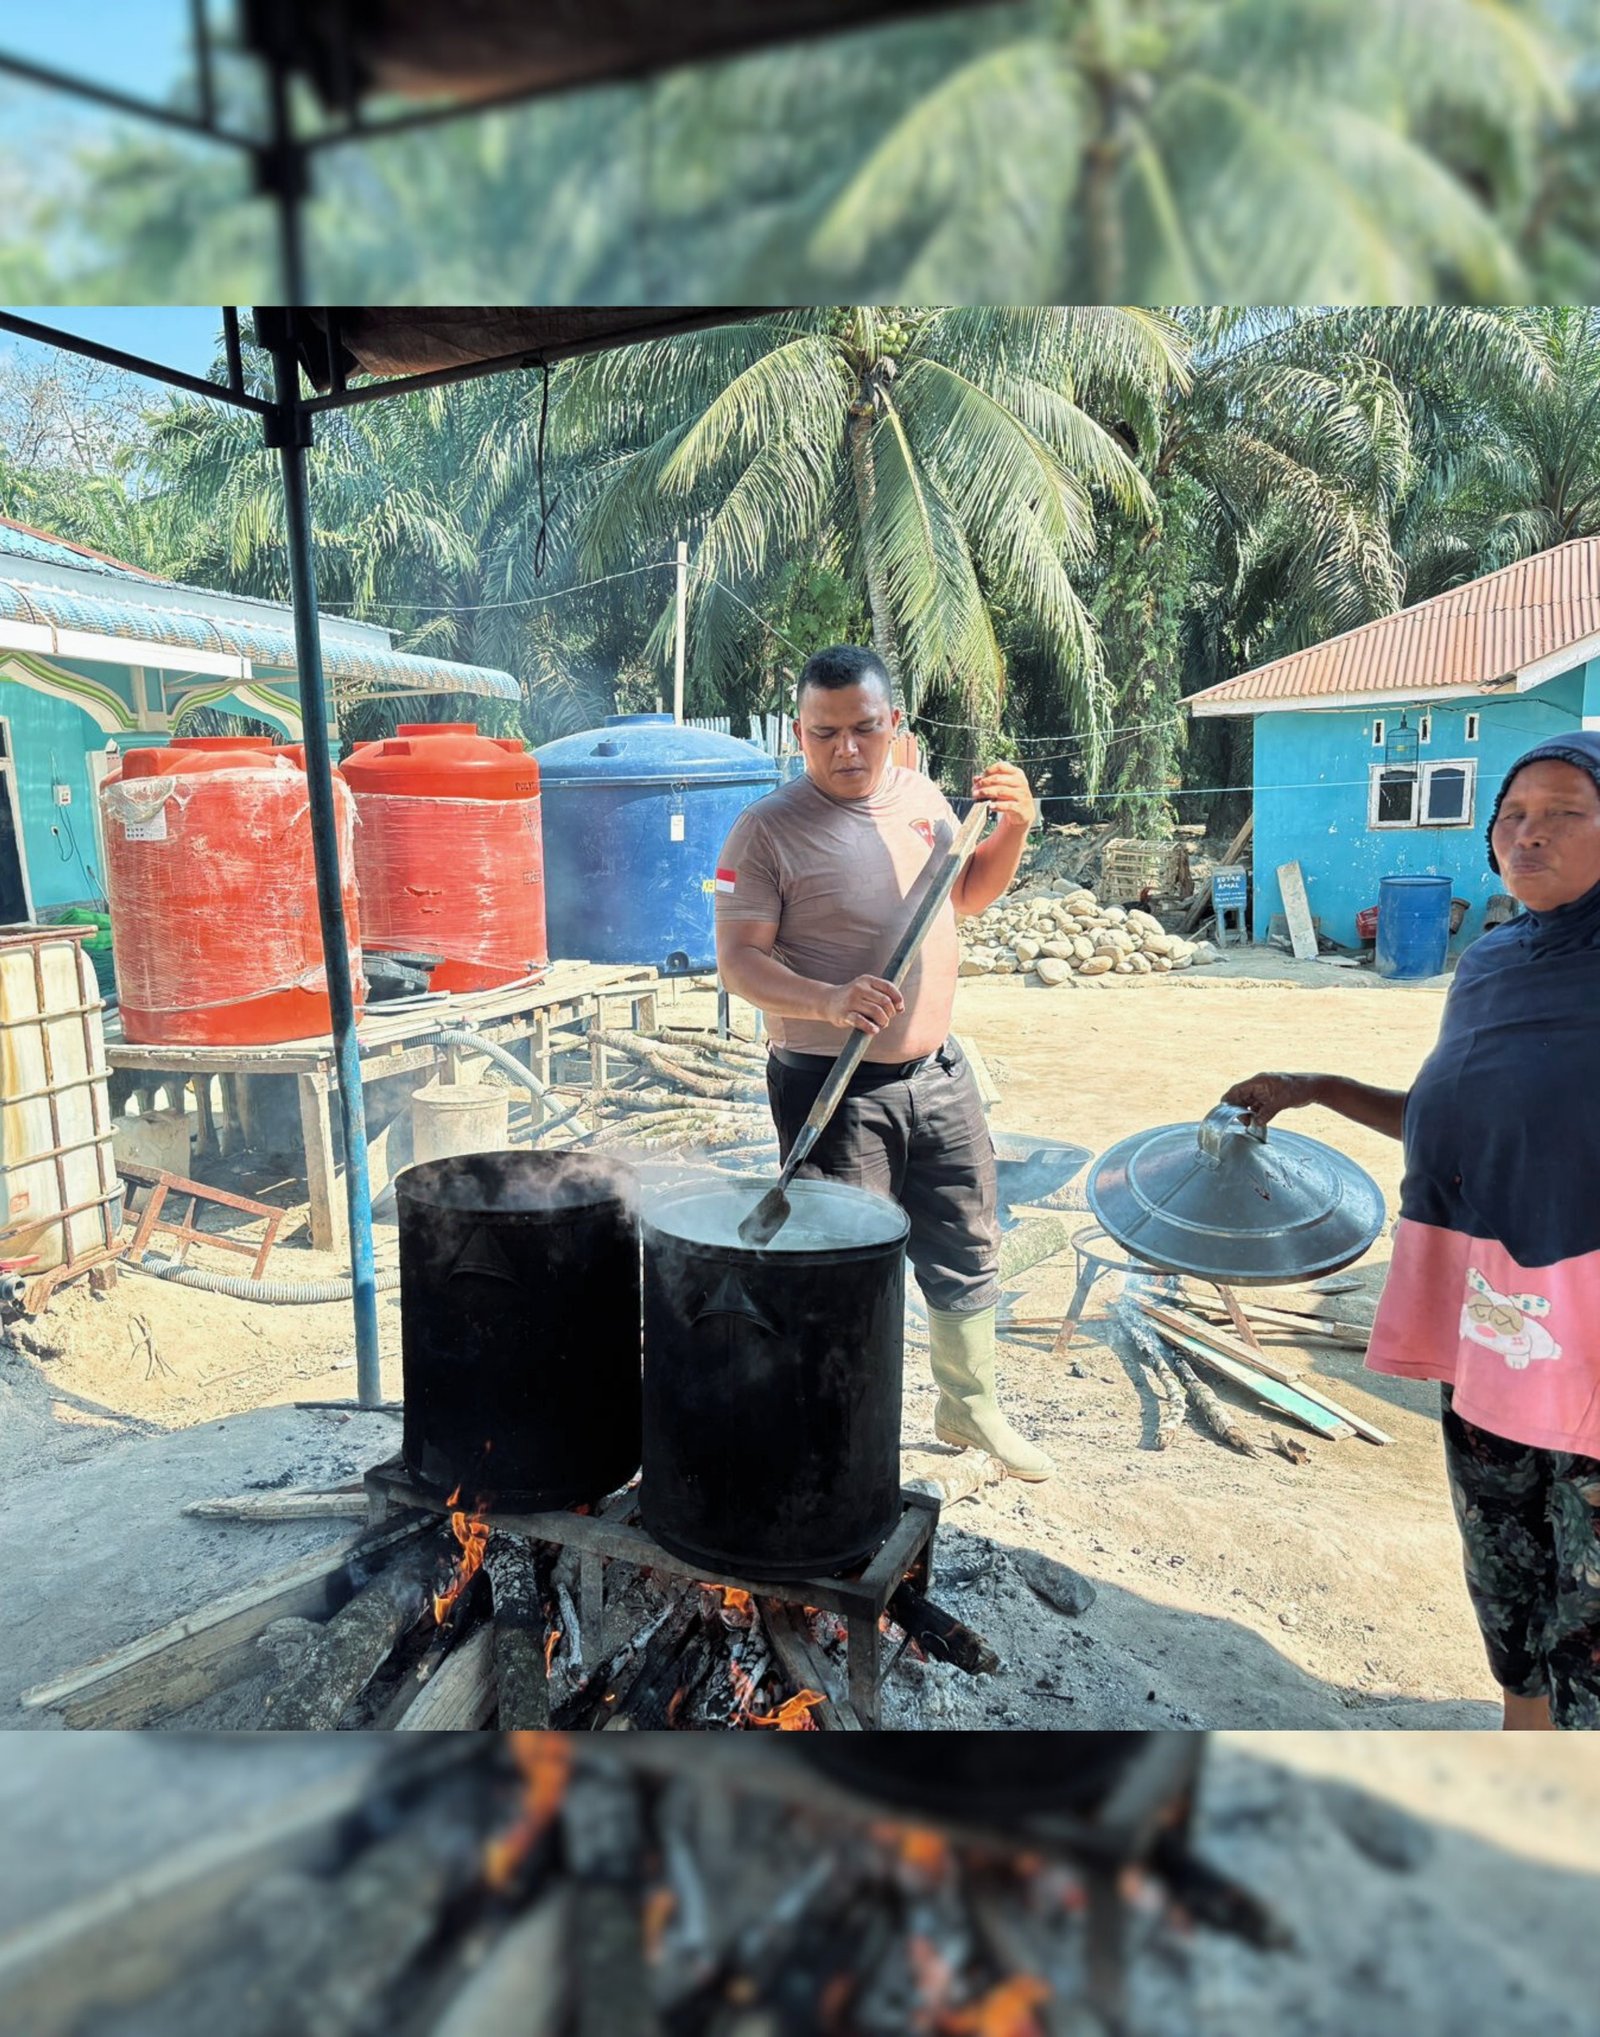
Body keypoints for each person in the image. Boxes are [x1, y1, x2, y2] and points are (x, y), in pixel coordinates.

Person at [1224, 733, 1600, 1730]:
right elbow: (1459, 1121)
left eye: (1565, 813)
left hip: (1588, 1327)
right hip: (1492, 1318)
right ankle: (1523, 1741)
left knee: (1594, 1601)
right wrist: (1314, 1087)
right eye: (1513, 816)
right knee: (1504, 1560)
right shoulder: (1492, 966)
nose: (1529, 835)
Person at [713, 644, 1052, 1480]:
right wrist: (828, 999)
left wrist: (1014, 828)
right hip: (833, 1091)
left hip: (937, 1075)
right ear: (798, 733)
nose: (846, 749)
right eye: (824, 733)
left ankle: (969, 1406)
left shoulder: (924, 798)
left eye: (864, 728)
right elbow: (738, 963)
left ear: (894, 723)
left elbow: (965, 896)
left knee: (967, 1240)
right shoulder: (766, 830)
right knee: (845, 1269)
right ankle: (842, 1438)